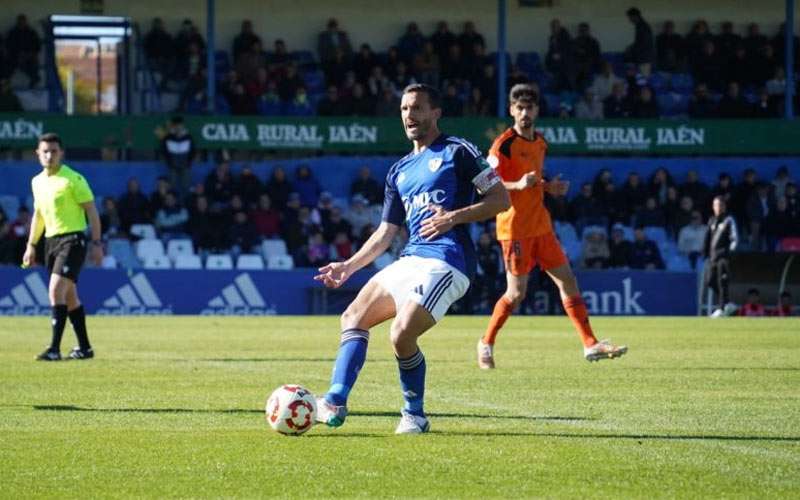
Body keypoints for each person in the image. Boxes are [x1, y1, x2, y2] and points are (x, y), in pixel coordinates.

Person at [312, 83, 510, 434]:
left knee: (401, 333)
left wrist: (453, 216)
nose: (410, 116)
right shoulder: (398, 171)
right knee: (353, 316)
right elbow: (385, 233)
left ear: (436, 113)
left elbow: (500, 199)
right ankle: (335, 399)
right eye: (404, 109)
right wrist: (348, 266)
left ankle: (414, 414)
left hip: (448, 260)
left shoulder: (458, 151)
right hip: (410, 257)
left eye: (417, 108)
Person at [478, 84, 627, 370]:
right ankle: (486, 343)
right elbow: (485, 184)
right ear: (511, 110)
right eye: (519, 108)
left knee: (568, 281)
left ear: (537, 110)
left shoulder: (540, 142)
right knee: (516, 294)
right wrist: (517, 184)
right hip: (515, 229)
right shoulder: (503, 145)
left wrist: (549, 187)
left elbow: (534, 182)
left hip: (541, 227)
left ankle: (589, 344)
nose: (524, 113)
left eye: (529, 107)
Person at [22, 133, 103, 361]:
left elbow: (91, 211)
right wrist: (31, 246)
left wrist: (97, 243)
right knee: (70, 298)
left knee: (55, 290)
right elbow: (38, 216)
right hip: (51, 242)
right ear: (37, 154)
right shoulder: (37, 181)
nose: (49, 155)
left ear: (61, 153)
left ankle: (54, 349)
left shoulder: (72, 179)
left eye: (54, 151)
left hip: (73, 240)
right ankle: (85, 348)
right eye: (45, 151)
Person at [703, 196, 739, 317]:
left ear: (724, 206)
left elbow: (734, 239)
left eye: (720, 205)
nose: (718, 208)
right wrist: (705, 253)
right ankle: (728, 303)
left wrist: (729, 253)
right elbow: (707, 239)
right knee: (710, 281)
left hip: (724, 257)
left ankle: (721, 308)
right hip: (713, 257)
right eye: (715, 205)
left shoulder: (729, 220)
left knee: (722, 281)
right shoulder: (712, 221)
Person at [160, 116, 195, 196]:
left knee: (186, 187)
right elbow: (164, 151)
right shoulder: (168, 138)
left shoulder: (188, 137)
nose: (178, 127)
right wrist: (169, 162)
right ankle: (171, 204)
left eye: (180, 125)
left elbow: (192, 150)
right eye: (176, 125)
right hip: (172, 166)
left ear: (182, 126)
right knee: (171, 188)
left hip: (185, 166)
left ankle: (186, 206)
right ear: (173, 126)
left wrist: (188, 162)